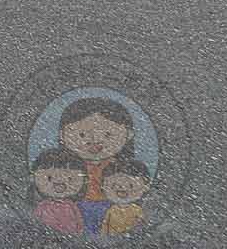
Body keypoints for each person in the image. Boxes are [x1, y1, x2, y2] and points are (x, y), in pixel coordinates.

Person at [57, 97, 136, 236]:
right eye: (82, 134)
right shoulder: (67, 167)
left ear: (128, 134)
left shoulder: (121, 168)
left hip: (113, 209)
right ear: (62, 135)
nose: (94, 141)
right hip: (76, 208)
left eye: (107, 134)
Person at [28, 148, 87, 234]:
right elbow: (35, 224)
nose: (59, 182)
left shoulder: (71, 206)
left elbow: (79, 224)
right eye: (50, 178)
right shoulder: (43, 206)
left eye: (69, 179)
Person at [100, 157, 150, 237]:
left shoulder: (137, 210)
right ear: (103, 187)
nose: (122, 188)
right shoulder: (111, 210)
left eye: (130, 186)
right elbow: (105, 226)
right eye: (114, 186)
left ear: (145, 187)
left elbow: (142, 226)